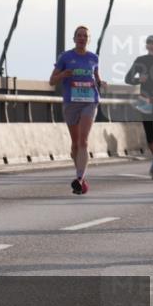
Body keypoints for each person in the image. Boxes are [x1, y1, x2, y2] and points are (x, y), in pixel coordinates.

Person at [50, 26, 105, 194]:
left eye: (85, 36)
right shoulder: (65, 57)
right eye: (79, 35)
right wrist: (63, 75)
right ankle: (80, 176)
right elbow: (52, 81)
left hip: (90, 102)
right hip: (71, 102)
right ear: (74, 39)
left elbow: (97, 79)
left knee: (83, 141)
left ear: (89, 39)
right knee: (75, 144)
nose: (82, 38)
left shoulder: (93, 58)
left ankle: (80, 178)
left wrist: (102, 83)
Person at [125, 34, 153, 180]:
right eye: (149, 43)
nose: (152, 45)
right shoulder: (140, 60)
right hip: (145, 100)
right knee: (150, 135)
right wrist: (138, 79)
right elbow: (128, 78)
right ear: (146, 45)